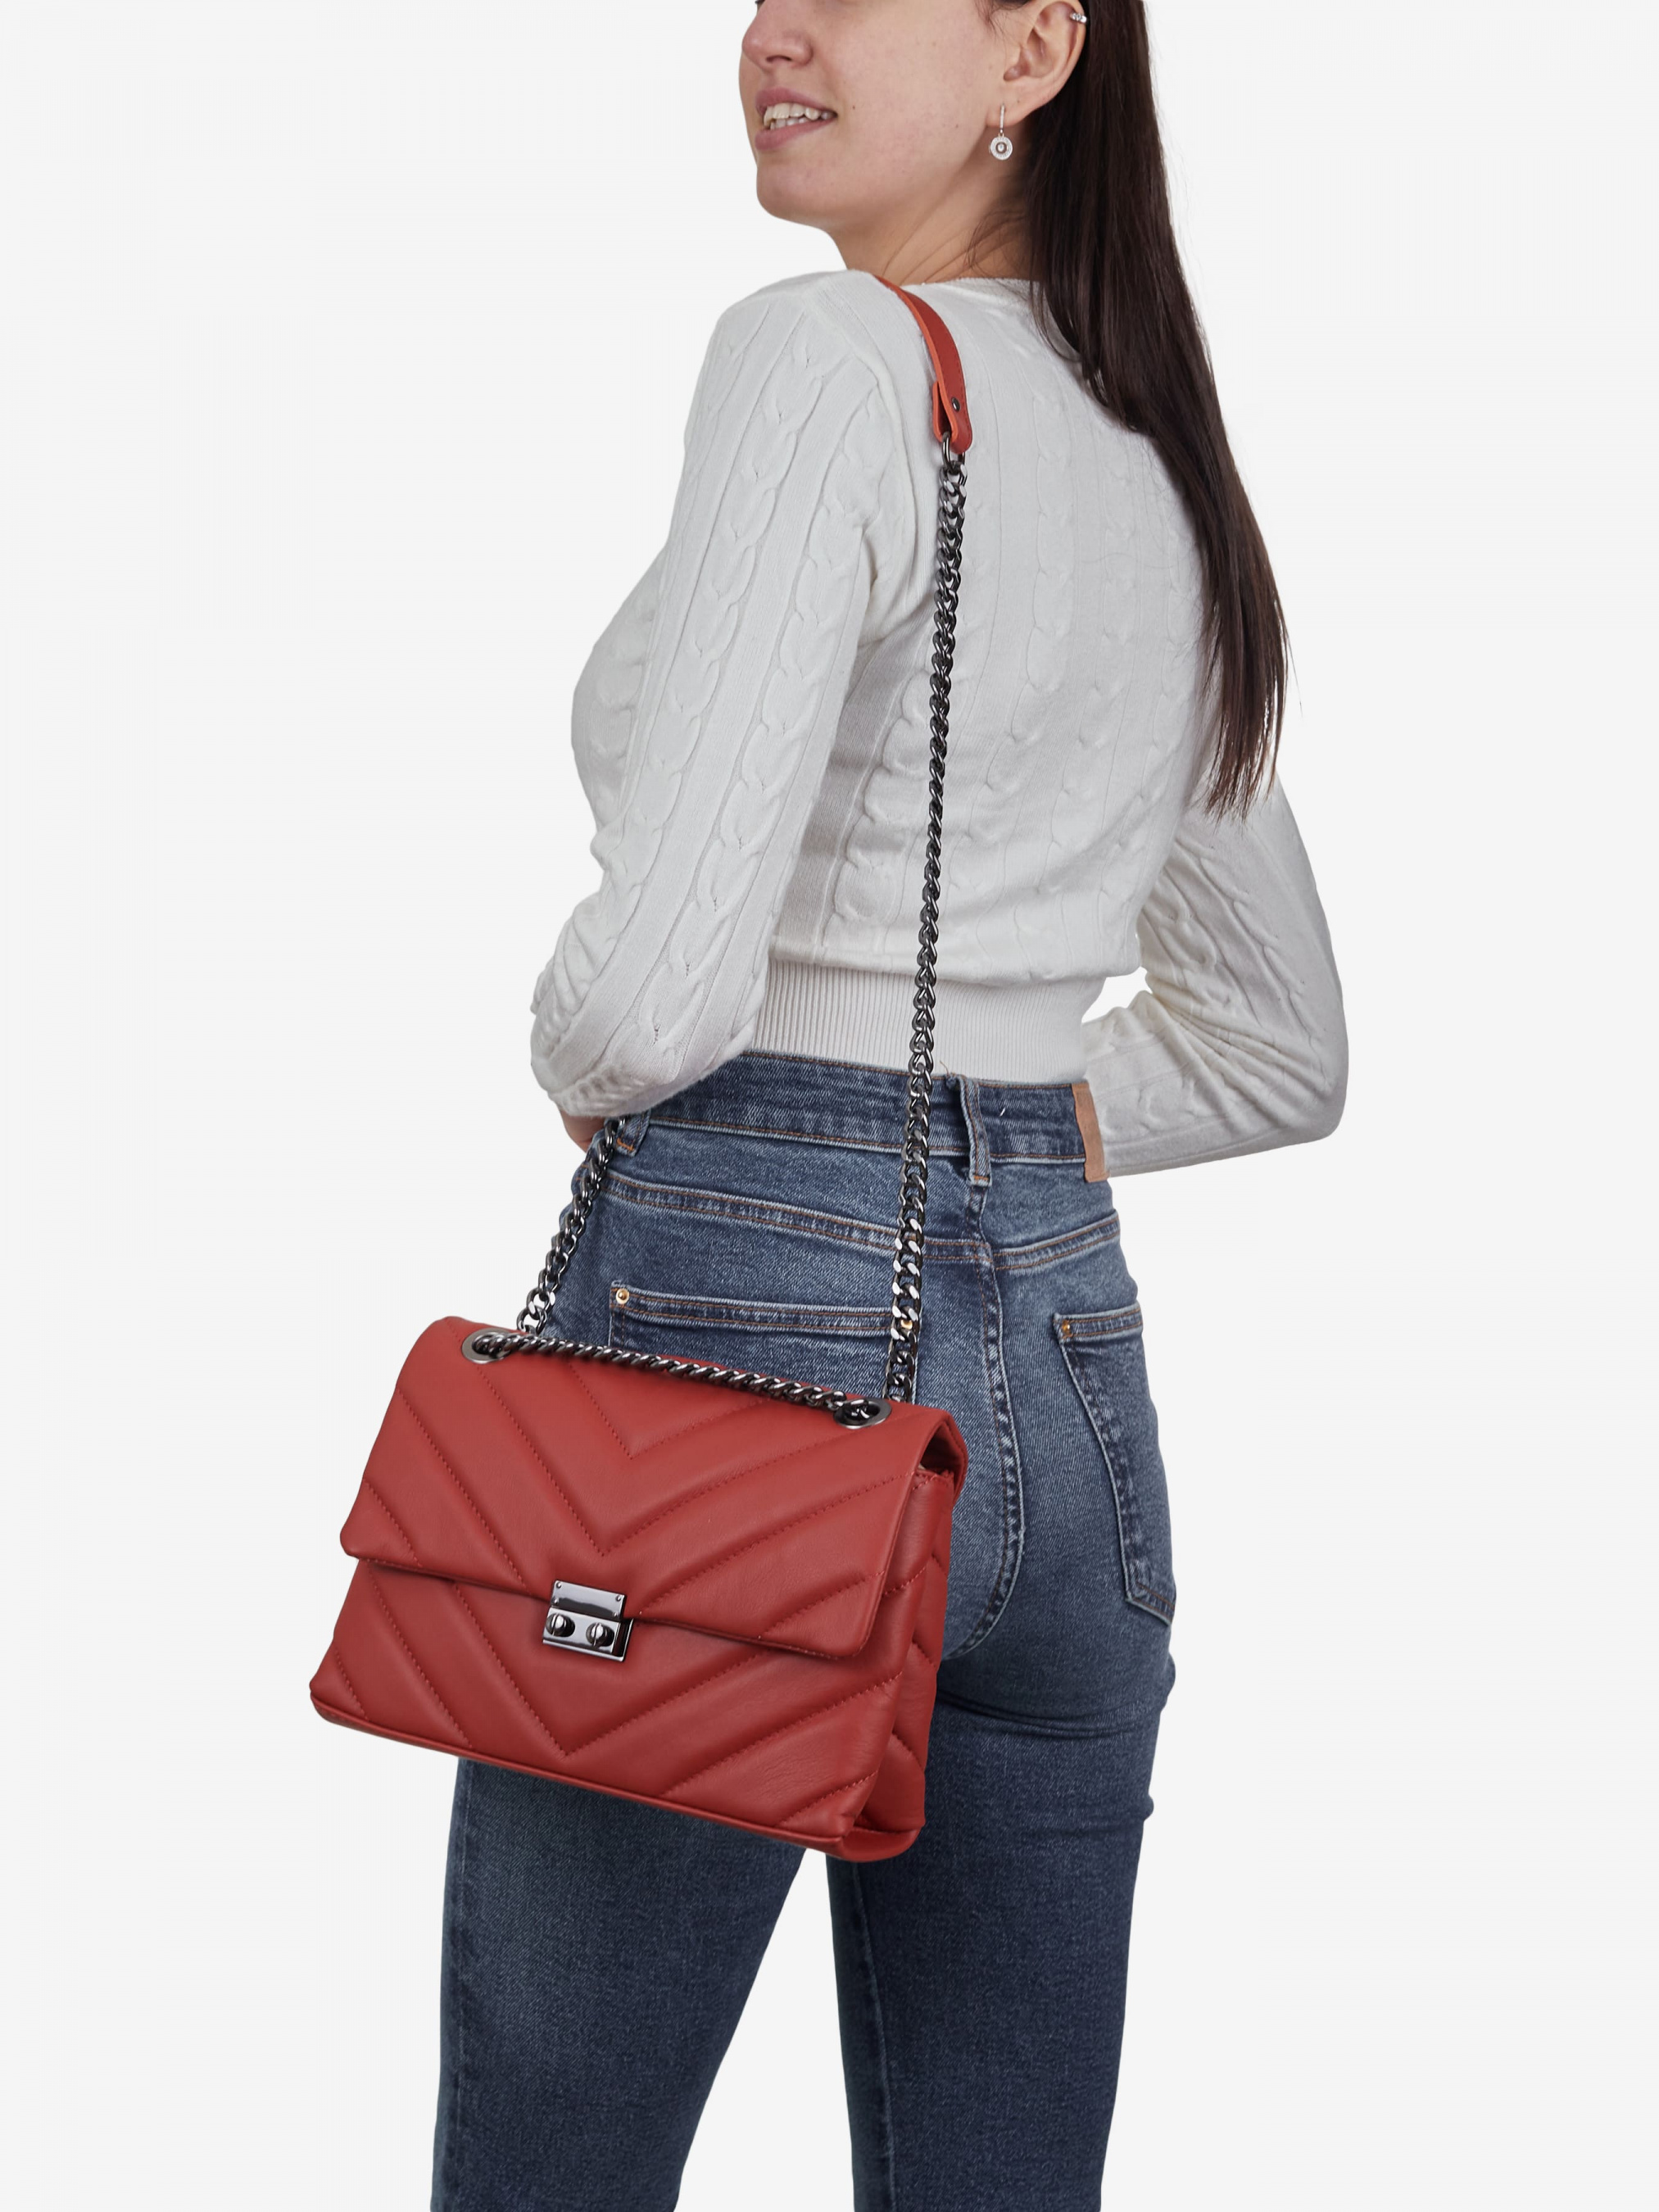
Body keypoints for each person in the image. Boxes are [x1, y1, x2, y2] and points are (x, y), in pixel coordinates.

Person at [430, 2, 1346, 2205]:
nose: (777, 31)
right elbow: (1274, 1041)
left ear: (1034, 52)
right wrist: (990, 1131)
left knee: (557, 2170)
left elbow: (652, 993)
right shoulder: (1151, 447)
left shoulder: (828, 363)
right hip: (1068, 1383)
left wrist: (615, 1069)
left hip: (738, 1324)